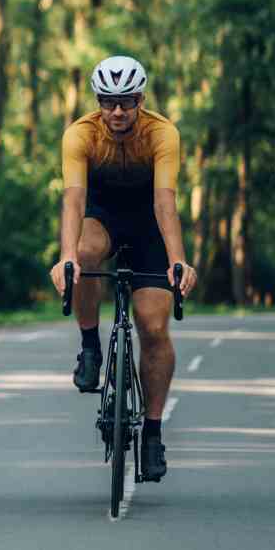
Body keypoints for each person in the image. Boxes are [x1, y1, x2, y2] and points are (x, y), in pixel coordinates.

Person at [49, 55, 199, 482]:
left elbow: (165, 202)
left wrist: (176, 261)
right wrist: (67, 257)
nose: (117, 111)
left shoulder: (161, 133)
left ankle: (152, 434)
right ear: (98, 100)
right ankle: (90, 347)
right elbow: (74, 200)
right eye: (108, 101)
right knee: (86, 251)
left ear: (141, 98)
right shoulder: (80, 134)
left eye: (127, 102)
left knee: (153, 327)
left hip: (150, 222)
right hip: (103, 216)